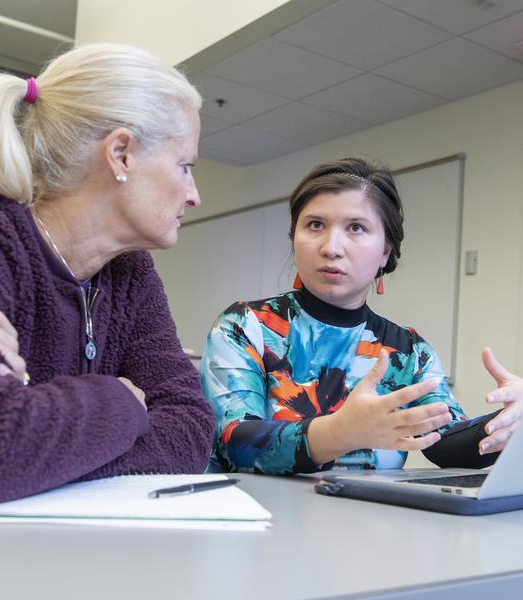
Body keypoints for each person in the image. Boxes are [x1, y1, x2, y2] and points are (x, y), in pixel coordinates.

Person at [0, 43, 214, 503]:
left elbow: (191, 433)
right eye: (184, 166)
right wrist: (121, 399)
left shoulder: (131, 273)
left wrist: (30, 410)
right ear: (121, 154)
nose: (194, 194)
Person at [200, 158, 523, 474]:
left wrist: (509, 425)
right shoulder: (246, 325)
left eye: (356, 228)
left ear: (386, 251)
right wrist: (338, 432)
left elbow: (446, 442)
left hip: (371, 522)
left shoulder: (408, 351)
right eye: (315, 225)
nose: (331, 247)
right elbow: (231, 444)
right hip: (264, 516)